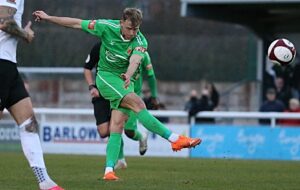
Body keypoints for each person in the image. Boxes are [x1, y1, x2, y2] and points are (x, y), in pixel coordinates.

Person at [33, 8, 202, 181]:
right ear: (121, 22)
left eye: (136, 29)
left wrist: (128, 75)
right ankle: (175, 139)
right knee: (139, 105)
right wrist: (48, 18)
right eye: (129, 28)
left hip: (123, 81)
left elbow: (136, 60)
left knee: (117, 125)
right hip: (106, 78)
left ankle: (108, 171)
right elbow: (76, 23)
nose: (132, 33)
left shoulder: (140, 41)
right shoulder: (106, 27)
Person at [0, 1, 63, 190]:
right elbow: (4, 21)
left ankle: (44, 181)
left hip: (8, 65)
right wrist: (25, 34)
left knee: (29, 124)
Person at [83, 41, 158, 167]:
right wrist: (92, 87)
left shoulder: (140, 52)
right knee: (105, 131)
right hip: (106, 91)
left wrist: (154, 96)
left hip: (129, 95)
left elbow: (151, 75)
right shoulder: (100, 46)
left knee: (128, 130)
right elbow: (87, 68)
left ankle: (140, 137)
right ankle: (120, 159)